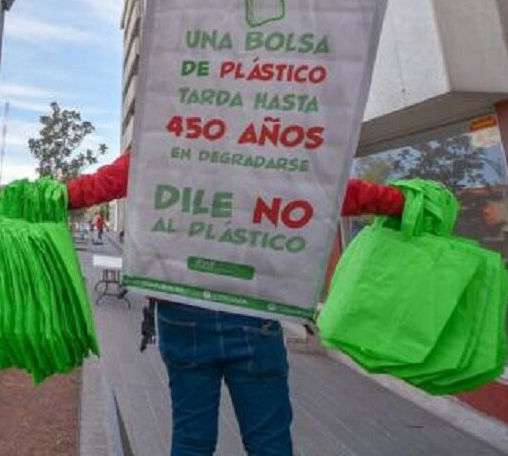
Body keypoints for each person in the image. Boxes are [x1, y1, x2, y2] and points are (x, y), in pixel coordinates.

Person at [66, 152, 403, 456]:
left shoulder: (167, 136)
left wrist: (55, 196)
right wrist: (399, 201)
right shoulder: (267, 145)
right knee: (268, 441)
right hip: (251, 309)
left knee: (191, 439)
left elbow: (103, 184)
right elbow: (328, 191)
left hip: (181, 309)